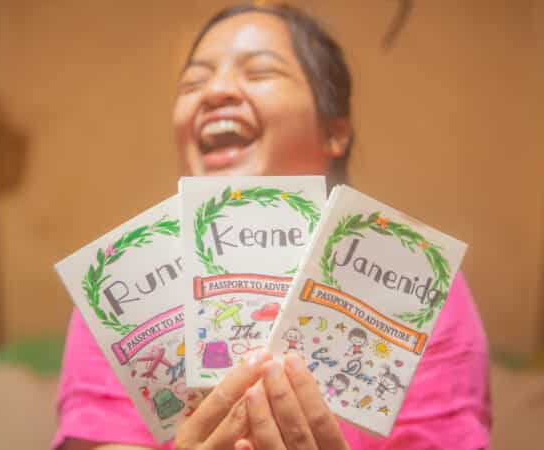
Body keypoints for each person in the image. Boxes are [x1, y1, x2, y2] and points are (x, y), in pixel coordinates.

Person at [54, 3, 491, 450]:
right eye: (193, 82)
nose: (217, 90)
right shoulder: (123, 290)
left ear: (334, 134)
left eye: (260, 73)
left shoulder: (420, 292)